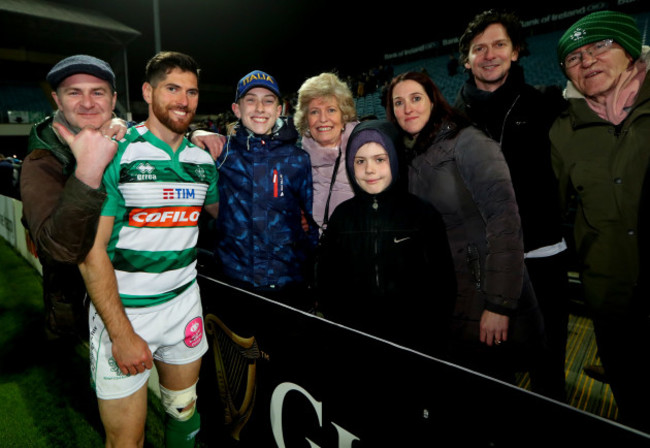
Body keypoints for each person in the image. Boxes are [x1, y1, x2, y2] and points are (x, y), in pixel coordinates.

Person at [70, 51, 219, 447]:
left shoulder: (202, 160)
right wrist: (121, 334)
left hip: (184, 305)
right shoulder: (116, 152)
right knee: (126, 441)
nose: (183, 100)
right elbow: (90, 252)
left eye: (191, 91)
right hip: (124, 312)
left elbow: (229, 216)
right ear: (147, 92)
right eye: (172, 88)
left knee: (184, 417)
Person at [385, 71, 546, 385]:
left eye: (416, 98)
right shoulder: (414, 153)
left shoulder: (468, 141)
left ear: (432, 99)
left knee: (494, 388)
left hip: (483, 289)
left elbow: (505, 220)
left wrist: (499, 303)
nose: (408, 109)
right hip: (450, 293)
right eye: (399, 103)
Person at [454, 9, 569, 401]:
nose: (489, 55)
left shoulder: (546, 104)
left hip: (542, 255)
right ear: (466, 59)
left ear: (516, 51)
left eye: (499, 45)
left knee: (548, 367)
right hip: (482, 263)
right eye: (478, 48)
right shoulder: (451, 120)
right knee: (490, 368)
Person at [551, 10, 650, 431]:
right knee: (633, 402)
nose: (587, 59)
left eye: (599, 46)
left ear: (629, 51)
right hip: (610, 295)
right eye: (573, 56)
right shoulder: (562, 130)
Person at [315, 119, 456, 356]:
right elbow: (328, 283)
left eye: (380, 159)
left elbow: (443, 285)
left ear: (396, 159)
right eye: (360, 161)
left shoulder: (422, 214)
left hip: (415, 345)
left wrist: (431, 340)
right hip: (355, 346)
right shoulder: (341, 217)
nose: (370, 169)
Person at [20, 55, 126, 342]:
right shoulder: (41, 159)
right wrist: (87, 173)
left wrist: (200, 135)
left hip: (138, 296)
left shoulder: (126, 137)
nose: (88, 103)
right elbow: (58, 252)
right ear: (57, 100)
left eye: (98, 92)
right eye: (74, 92)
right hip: (79, 304)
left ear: (113, 100)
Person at [212, 69, 318, 307]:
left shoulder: (298, 159)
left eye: (268, 101)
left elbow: (310, 222)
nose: (260, 108)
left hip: (288, 285)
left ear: (279, 110)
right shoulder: (221, 153)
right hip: (235, 281)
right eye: (251, 100)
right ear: (236, 109)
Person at [293, 72, 359, 231]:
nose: (323, 119)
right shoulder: (298, 161)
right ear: (306, 119)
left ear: (344, 116)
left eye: (331, 110)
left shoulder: (363, 150)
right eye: (314, 111)